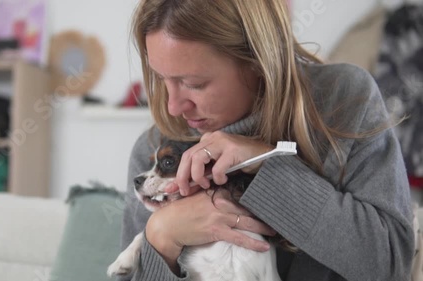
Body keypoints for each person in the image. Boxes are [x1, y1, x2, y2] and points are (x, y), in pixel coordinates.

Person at [120, 0, 415, 280]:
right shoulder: (159, 150)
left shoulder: (344, 100)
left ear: (258, 61)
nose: (173, 107)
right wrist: (162, 236)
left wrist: (268, 166)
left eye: (193, 84)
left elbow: (391, 266)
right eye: (160, 79)